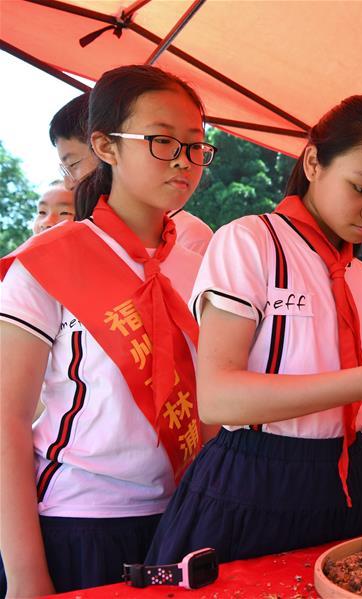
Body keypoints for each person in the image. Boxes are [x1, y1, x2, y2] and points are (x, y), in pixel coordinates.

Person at [144, 95, 362, 567]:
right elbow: (218, 398)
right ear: (313, 161)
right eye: (360, 188)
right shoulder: (249, 242)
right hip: (250, 483)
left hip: (347, 489)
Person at [0, 64, 214, 596]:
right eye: (162, 141)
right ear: (106, 146)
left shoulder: (202, 268)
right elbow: (6, 419)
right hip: (79, 520)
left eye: (195, 146)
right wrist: (27, 575)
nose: (184, 161)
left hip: (184, 515)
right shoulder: (47, 263)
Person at [50, 93, 214, 255]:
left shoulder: (189, 238)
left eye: (72, 164)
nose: (69, 183)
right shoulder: (53, 249)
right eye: (163, 140)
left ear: (105, 148)